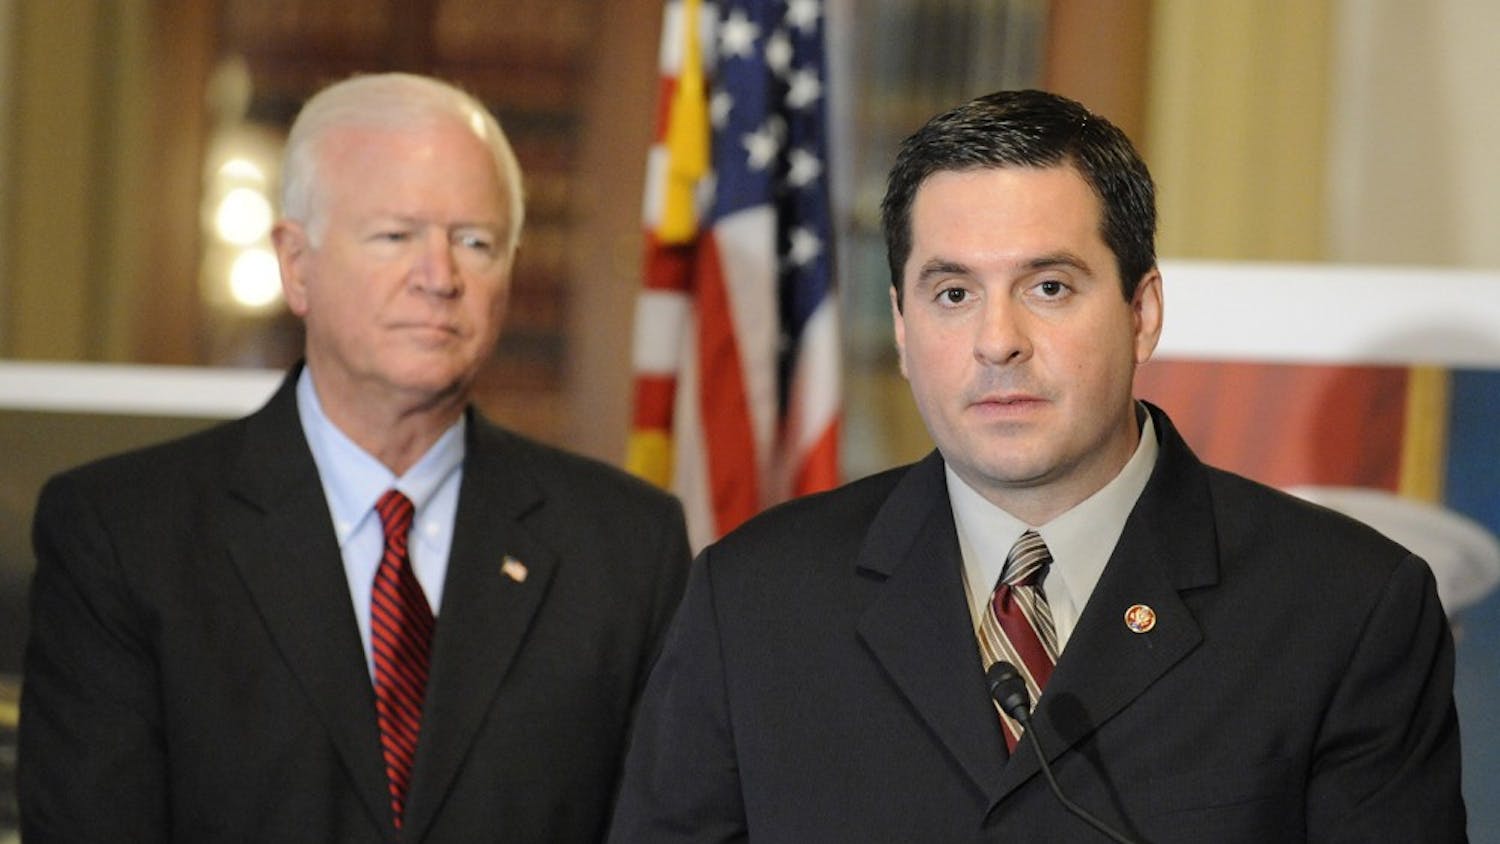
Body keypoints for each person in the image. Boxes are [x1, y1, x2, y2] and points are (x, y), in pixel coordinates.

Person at [607, 90, 1465, 842]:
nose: (997, 341)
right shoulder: (753, 600)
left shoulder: (1344, 609)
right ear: (902, 330)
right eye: (953, 294)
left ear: (1142, 312)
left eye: (1048, 287)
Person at [19, 73, 691, 843]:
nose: (439, 277)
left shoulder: (626, 549)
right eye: (395, 236)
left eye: (474, 242)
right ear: (296, 264)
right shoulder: (126, 536)